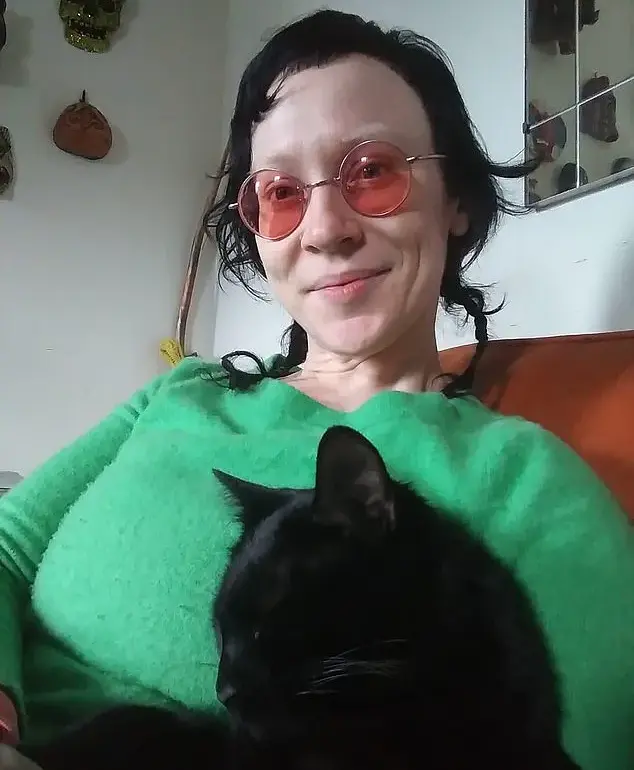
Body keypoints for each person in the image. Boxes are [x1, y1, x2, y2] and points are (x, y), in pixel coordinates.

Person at [1, 9, 633, 770]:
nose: (326, 229)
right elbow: (6, 547)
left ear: (457, 198)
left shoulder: (525, 476)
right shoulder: (183, 392)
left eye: (372, 171)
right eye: (281, 192)